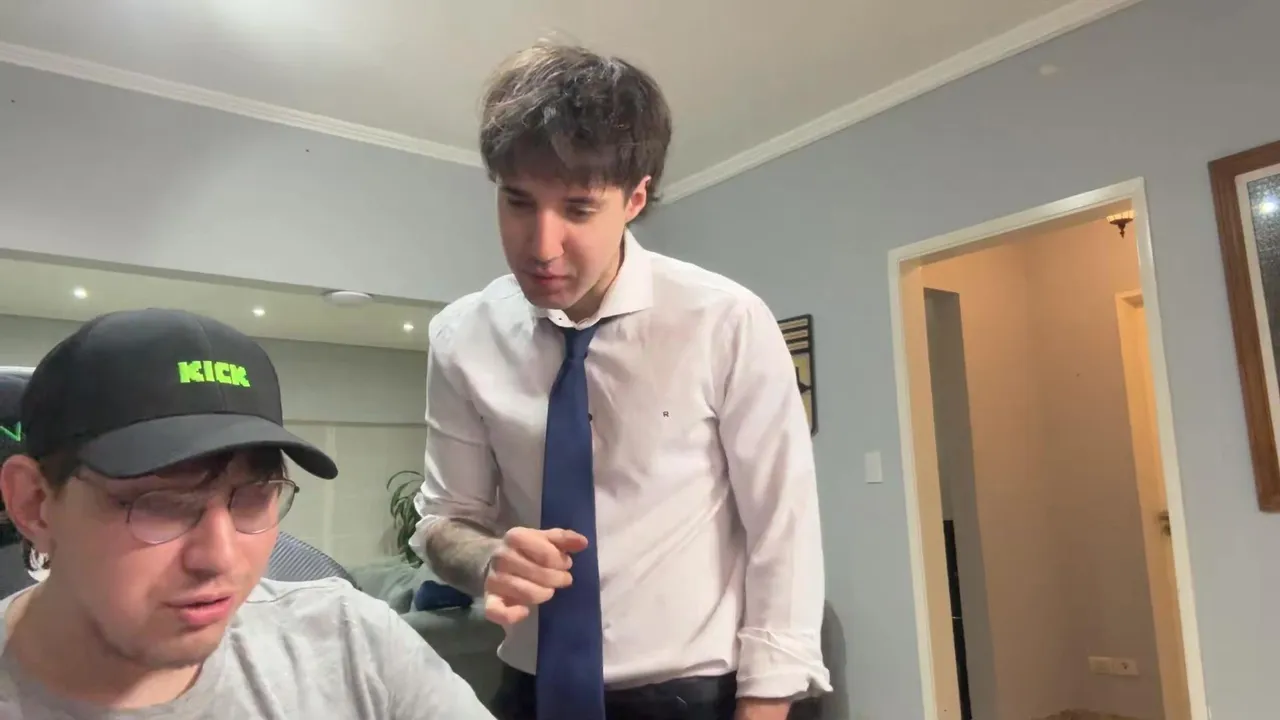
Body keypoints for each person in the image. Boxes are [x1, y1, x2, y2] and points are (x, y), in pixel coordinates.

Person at [412, 43, 830, 720]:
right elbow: (442, 520)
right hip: (530, 691)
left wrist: (765, 705)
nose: (541, 246)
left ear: (634, 198)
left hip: (693, 697)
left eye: (578, 209)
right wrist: (487, 559)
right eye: (518, 202)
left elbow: (783, 529)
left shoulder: (725, 320)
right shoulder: (461, 337)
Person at [0, 308, 494, 719]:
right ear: (34, 504)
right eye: (161, 505)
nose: (220, 558)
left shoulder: (350, 639)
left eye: (255, 497)